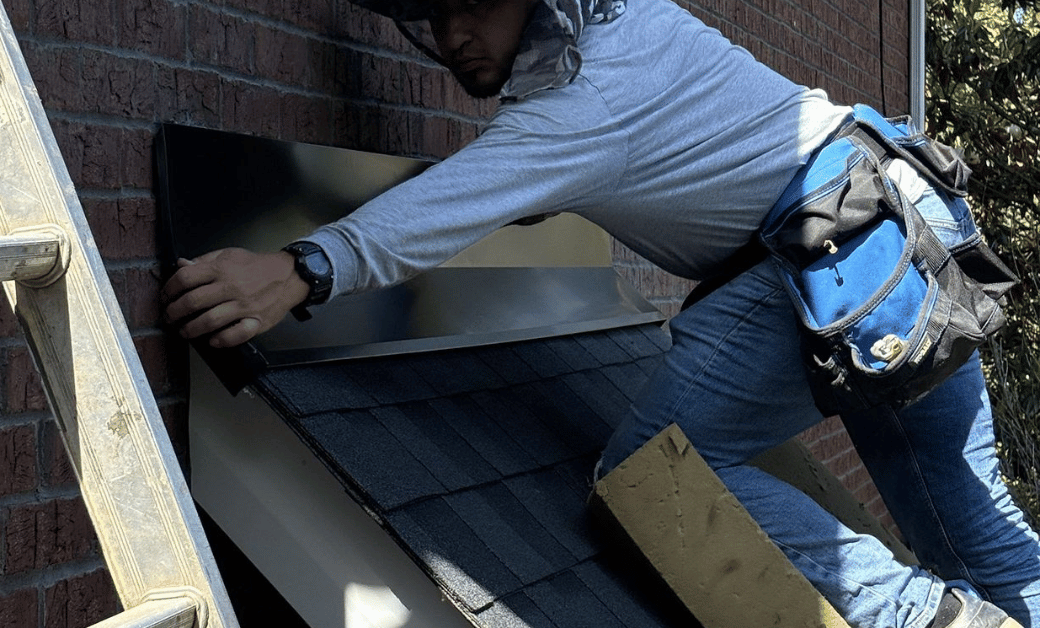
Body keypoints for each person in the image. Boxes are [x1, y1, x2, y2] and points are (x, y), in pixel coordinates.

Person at [161, 0, 1040, 625]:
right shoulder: (629, 28)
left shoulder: (590, 98)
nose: (451, 35)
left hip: (822, 248)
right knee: (978, 530)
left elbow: (505, 173)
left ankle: (918, 619)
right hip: (905, 225)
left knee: (663, 471)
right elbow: (538, 167)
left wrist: (300, 267)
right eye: (431, 17)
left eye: (472, 5)